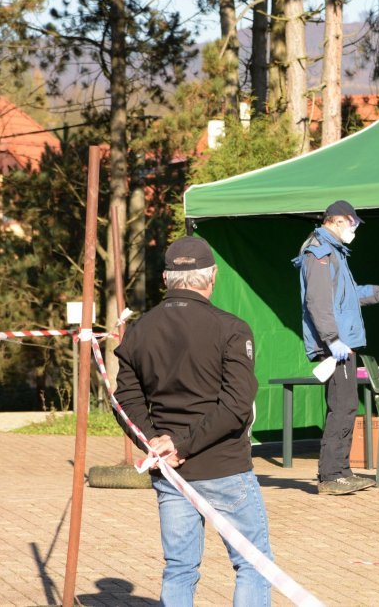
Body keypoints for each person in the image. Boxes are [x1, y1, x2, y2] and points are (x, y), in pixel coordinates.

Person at [114, 236, 273, 606]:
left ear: (167, 277)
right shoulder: (231, 328)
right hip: (223, 467)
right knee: (252, 563)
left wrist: (157, 441)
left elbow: (125, 399)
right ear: (212, 276)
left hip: (171, 471)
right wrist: (171, 445)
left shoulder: (139, 331)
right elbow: (237, 404)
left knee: (179, 568)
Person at [292, 200, 379, 495]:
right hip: (336, 344)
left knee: (345, 406)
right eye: (354, 223)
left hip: (342, 342)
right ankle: (331, 475)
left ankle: (341, 471)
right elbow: (317, 301)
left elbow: (348, 294)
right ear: (340, 220)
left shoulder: (335, 252)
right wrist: (332, 339)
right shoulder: (319, 251)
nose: (355, 229)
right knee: (342, 407)